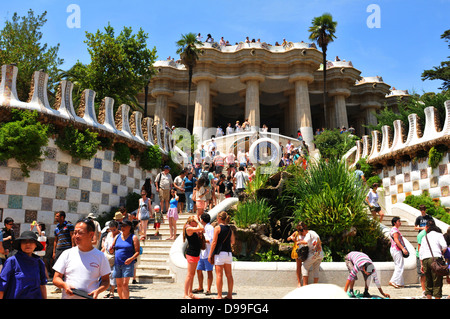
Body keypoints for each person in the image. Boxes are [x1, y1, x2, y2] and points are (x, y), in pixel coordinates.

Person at [52, 218, 111, 299]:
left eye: (80, 233)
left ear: (91, 234)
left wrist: (98, 290)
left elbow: (106, 281)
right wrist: (64, 285)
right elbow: (56, 278)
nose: (76, 236)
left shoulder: (100, 256)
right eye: (75, 233)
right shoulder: (67, 253)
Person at [0, 231, 47, 299]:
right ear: (20, 245)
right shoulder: (12, 261)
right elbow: (2, 285)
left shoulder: (39, 262)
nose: (28, 244)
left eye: (31, 242)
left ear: (35, 245)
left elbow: (42, 285)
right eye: (24, 242)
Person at [110, 220, 140, 299]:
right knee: (119, 285)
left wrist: (131, 258)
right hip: (117, 263)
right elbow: (112, 248)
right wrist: (111, 249)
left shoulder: (134, 237)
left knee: (124, 284)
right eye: (121, 226)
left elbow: (137, 252)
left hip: (128, 264)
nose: (122, 227)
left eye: (124, 226)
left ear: (129, 227)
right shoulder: (117, 236)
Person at [419, 219, 448, 299]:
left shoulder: (425, 237)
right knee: (437, 281)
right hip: (435, 258)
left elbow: (421, 251)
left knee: (428, 282)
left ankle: (429, 297)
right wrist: (441, 252)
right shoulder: (439, 235)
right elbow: (444, 246)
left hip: (425, 259)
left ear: (427, 227)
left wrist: (421, 264)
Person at [208, 211, 235, 299]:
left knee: (219, 275)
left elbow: (214, 242)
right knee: (229, 275)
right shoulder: (230, 228)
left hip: (220, 253)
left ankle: (219, 296)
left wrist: (210, 254)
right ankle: (230, 295)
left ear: (219, 218)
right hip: (228, 253)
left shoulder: (217, 228)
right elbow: (233, 241)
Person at [51, 211, 74, 293]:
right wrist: (54, 252)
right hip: (59, 249)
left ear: (62, 217)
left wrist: (73, 247)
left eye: (57, 216)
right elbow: (55, 241)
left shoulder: (69, 226)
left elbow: (72, 237)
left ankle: (68, 285)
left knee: (68, 267)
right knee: (58, 267)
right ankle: (58, 287)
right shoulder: (56, 228)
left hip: (67, 248)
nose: (55, 218)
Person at [183, 216, 204, 299]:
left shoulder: (192, 228)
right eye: (195, 222)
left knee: (192, 274)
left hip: (195, 253)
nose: (196, 223)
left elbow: (202, 229)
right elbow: (201, 228)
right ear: (192, 222)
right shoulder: (189, 229)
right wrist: (198, 221)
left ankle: (190, 293)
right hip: (191, 253)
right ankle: (185, 294)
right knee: (189, 274)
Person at [193, 213, 215, 295]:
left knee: (209, 271)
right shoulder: (204, 227)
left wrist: (201, 240)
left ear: (202, 220)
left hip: (208, 252)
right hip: (202, 253)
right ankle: (200, 287)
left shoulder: (209, 228)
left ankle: (208, 289)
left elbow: (211, 240)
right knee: (199, 270)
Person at [101, 220, 119, 299]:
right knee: (107, 274)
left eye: (114, 229)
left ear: (117, 227)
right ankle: (109, 291)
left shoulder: (120, 235)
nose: (112, 231)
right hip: (107, 256)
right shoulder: (108, 234)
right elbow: (105, 246)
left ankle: (112, 292)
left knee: (113, 275)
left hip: (116, 257)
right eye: (111, 230)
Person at [389, 217, 408, 288]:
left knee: (399, 265)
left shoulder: (394, 230)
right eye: (398, 221)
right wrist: (403, 248)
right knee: (399, 265)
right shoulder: (394, 230)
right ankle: (393, 281)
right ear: (395, 222)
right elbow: (396, 240)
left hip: (395, 249)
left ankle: (399, 282)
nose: (400, 223)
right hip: (396, 249)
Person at [287, 223, 304, 287]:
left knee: (304, 266)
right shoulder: (296, 233)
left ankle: (304, 281)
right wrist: (291, 237)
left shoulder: (305, 233)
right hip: (298, 250)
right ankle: (299, 282)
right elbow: (288, 238)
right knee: (299, 266)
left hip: (304, 250)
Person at [416, 228, 427, 297]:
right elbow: (419, 246)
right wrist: (421, 259)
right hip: (421, 255)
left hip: (427, 255)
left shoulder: (430, 234)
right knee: (422, 274)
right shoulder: (421, 234)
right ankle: (424, 290)